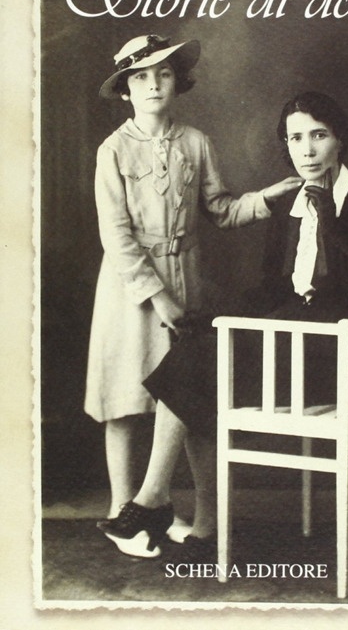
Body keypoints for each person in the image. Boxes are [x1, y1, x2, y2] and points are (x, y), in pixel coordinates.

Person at [98, 90, 348, 559]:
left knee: (197, 368)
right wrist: (217, 316)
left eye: (318, 136)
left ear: (340, 140)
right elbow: (273, 290)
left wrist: (331, 223)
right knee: (196, 353)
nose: (306, 150)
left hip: (341, 358)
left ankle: (153, 502)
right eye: (295, 139)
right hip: (291, 343)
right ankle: (176, 510)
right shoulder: (291, 204)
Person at [85, 33, 302, 550]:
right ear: (125, 90)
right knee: (125, 401)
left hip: (185, 278)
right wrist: (156, 295)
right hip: (129, 288)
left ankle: (206, 520)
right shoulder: (113, 149)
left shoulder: (196, 142)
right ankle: (124, 513)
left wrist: (267, 198)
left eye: (163, 74)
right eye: (141, 77)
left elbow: (221, 210)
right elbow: (116, 234)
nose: (153, 85)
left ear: (178, 81)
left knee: (192, 402)